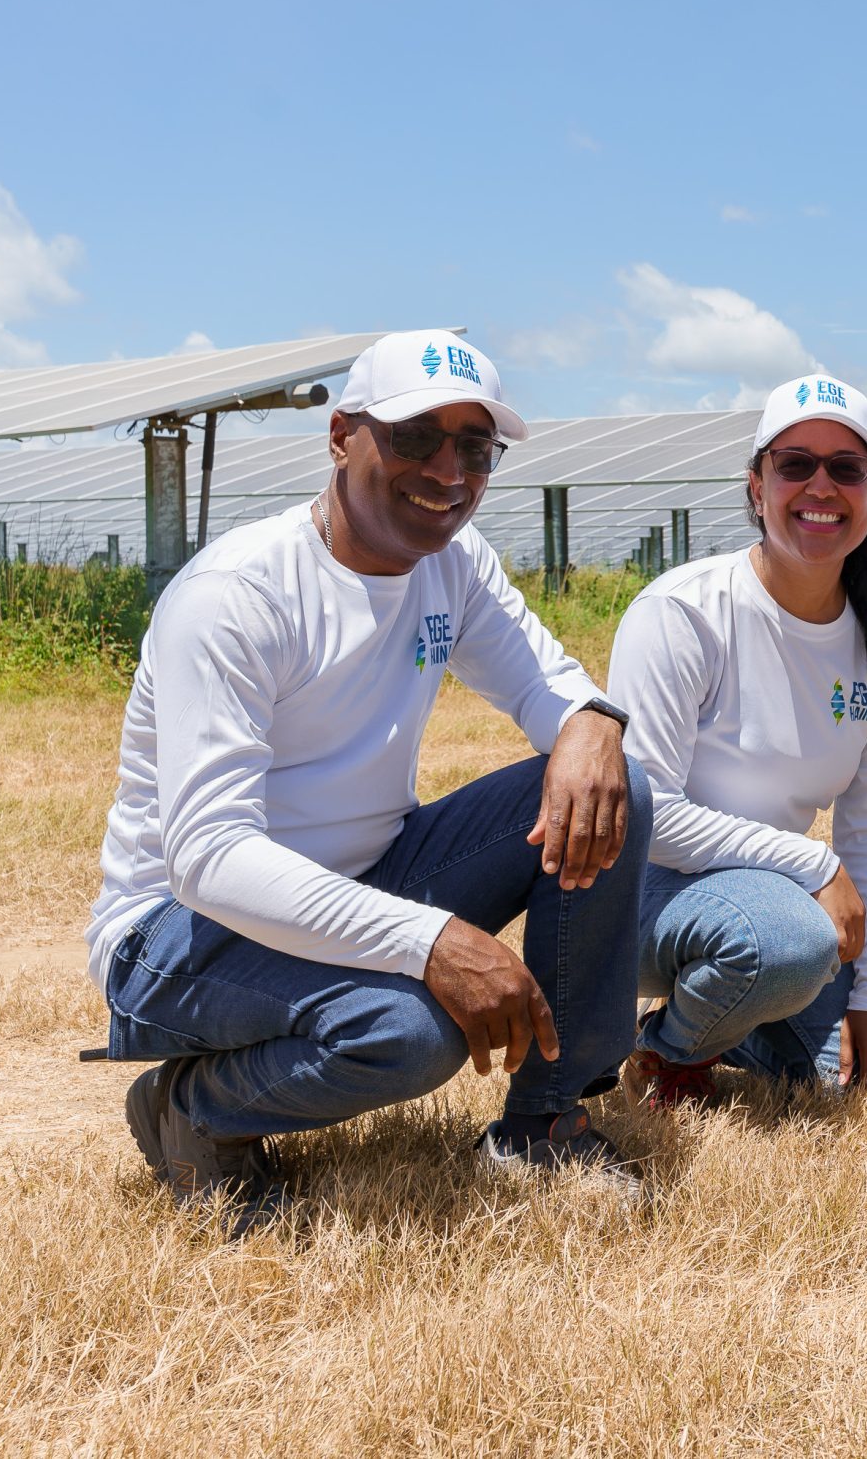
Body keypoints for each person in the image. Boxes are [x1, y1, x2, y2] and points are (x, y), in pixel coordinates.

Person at [88, 329, 651, 1225]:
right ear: (342, 435)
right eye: (416, 437)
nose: (448, 470)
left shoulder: (453, 567)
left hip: (365, 873)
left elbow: (551, 686)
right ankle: (190, 1110)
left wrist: (591, 721)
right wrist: (430, 942)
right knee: (411, 1033)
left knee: (609, 784)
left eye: (476, 448)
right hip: (182, 934)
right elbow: (210, 858)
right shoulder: (239, 596)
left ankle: (547, 1122)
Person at [604, 374, 867, 1103]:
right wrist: (810, 864)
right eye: (795, 465)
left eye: (846, 468)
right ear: (757, 486)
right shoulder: (683, 615)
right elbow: (643, 816)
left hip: (771, 905)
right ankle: (669, 1052)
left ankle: (736, 1016)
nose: (822, 486)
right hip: (640, 901)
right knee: (791, 943)